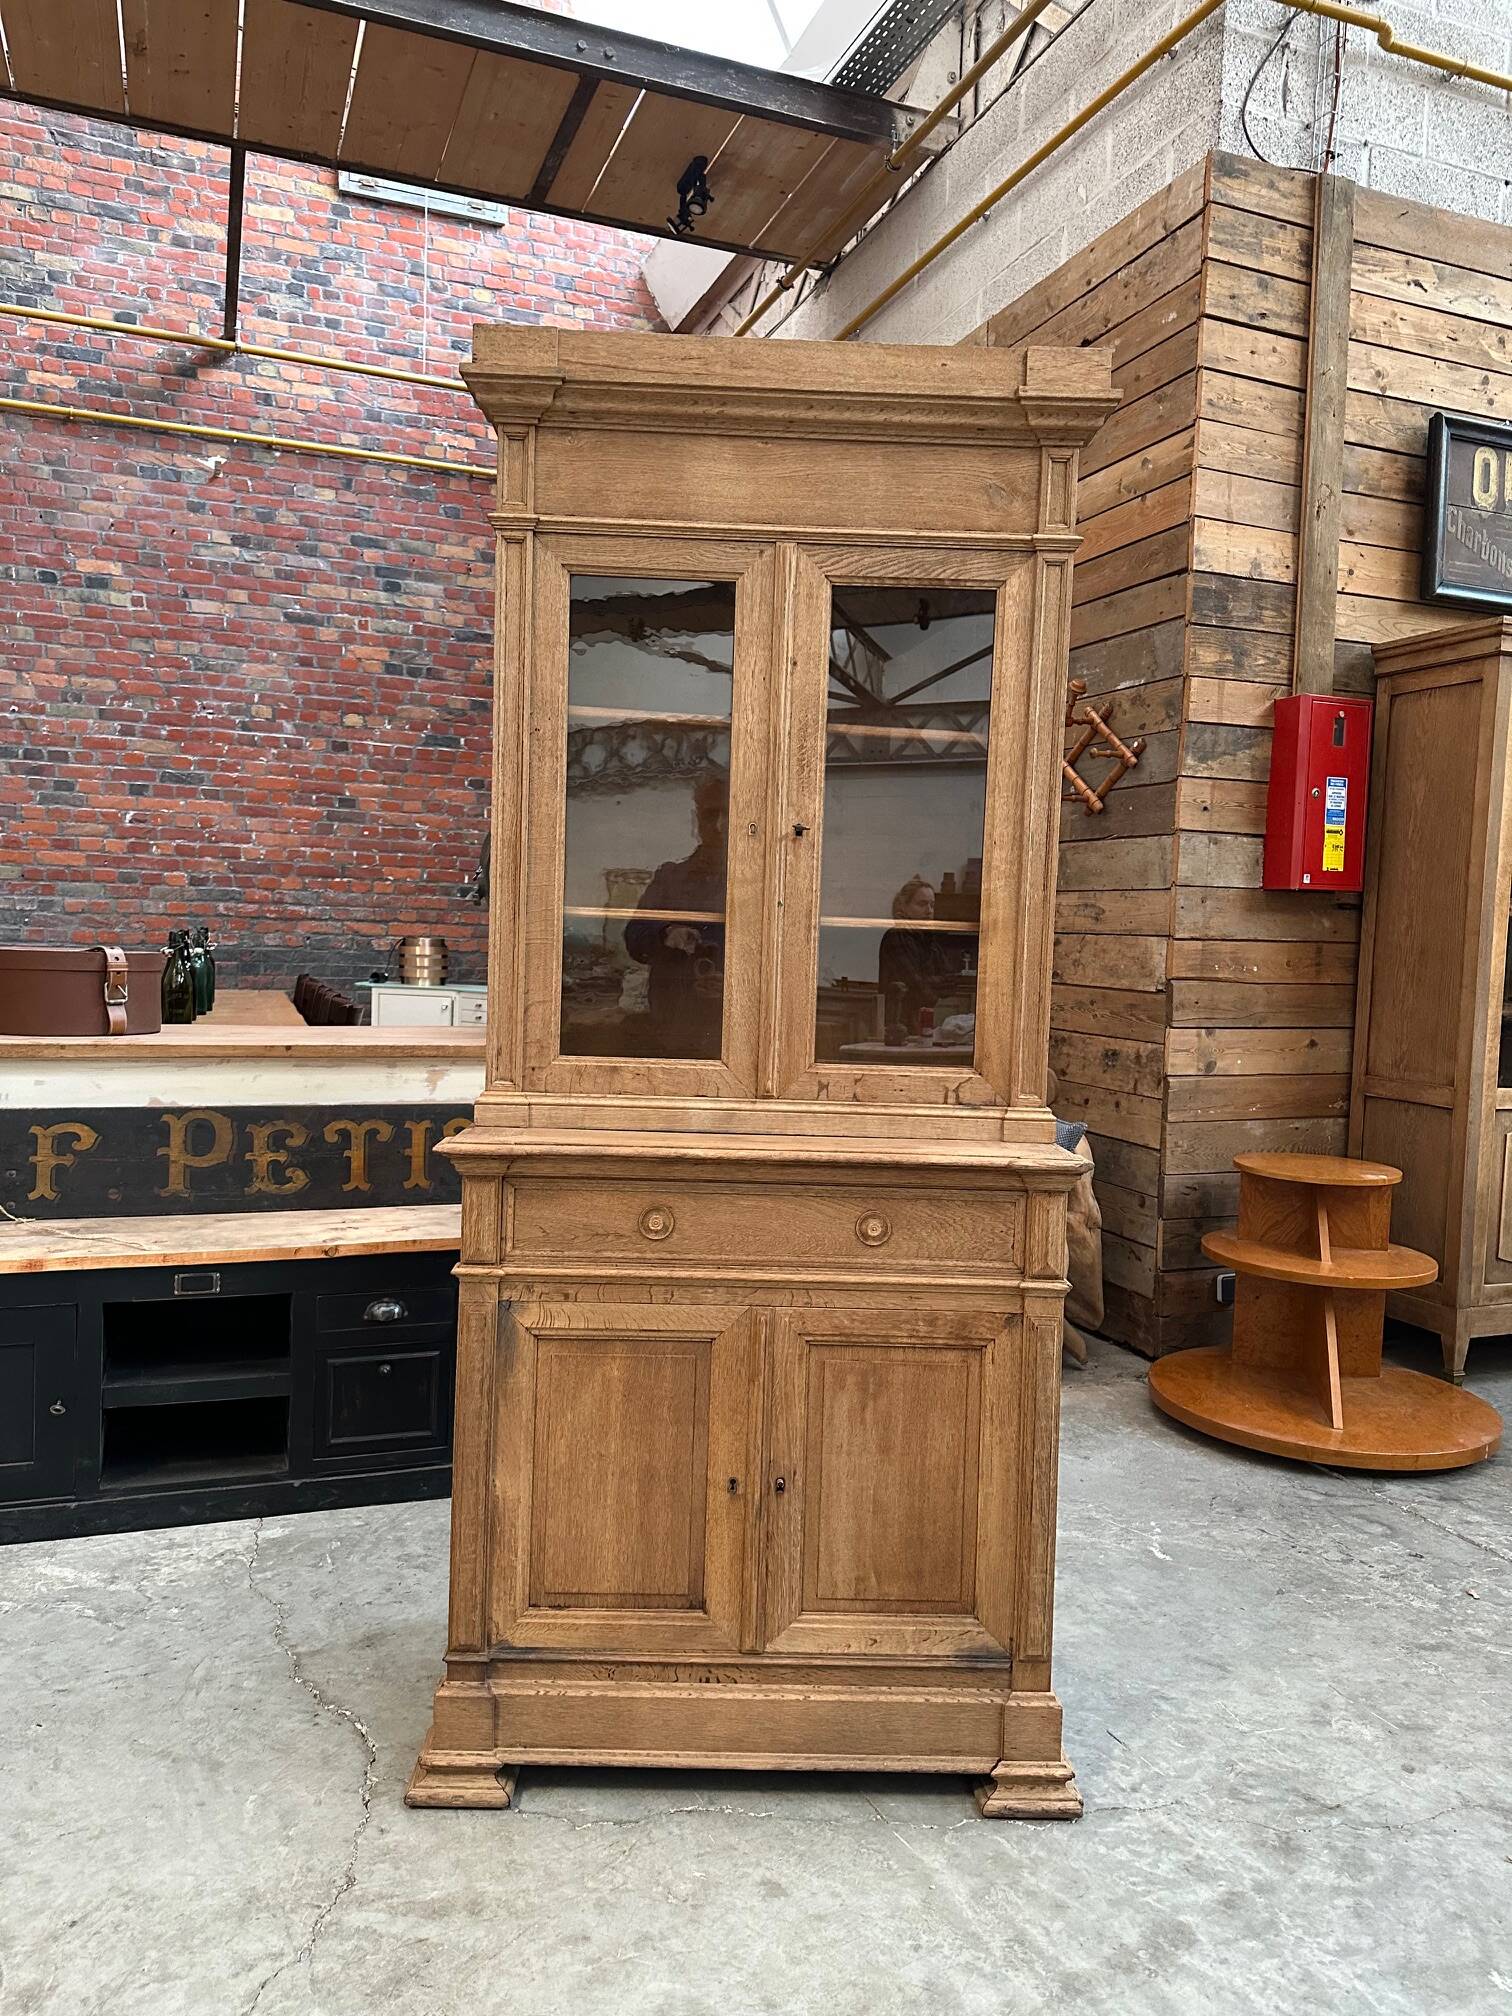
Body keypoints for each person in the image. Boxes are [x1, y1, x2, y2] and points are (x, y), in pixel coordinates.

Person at [624, 772, 728, 1057]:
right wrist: (667, 933)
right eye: (710, 815)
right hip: (672, 1028)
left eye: (728, 815)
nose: (719, 826)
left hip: (732, 1034)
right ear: (698, 821)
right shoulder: (671, 877)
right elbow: (634, 937)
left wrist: (735, 987)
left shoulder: (758, 883)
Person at [877, 875, 975, 1041]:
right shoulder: (896, 937)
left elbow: (952, 981)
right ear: (904, 907)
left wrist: (931, 982)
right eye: (922, 904)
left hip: (924, 1021)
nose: (929, 910)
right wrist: (937, 982)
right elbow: (916, 986)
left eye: (932, 905)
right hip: (900, 1025)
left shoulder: (929, 941)